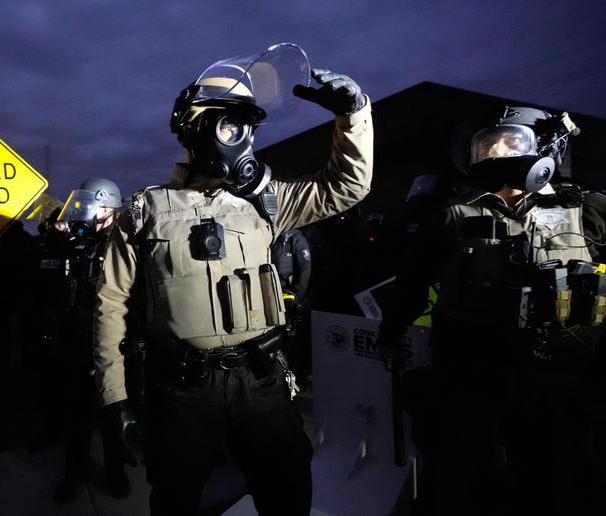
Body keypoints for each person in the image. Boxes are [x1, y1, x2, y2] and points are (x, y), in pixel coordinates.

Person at [93, 44, 373, 516]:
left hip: (261, 380)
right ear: (192, 128)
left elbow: (348, 185)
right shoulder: (144, 211)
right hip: (182, 389)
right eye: (227, 124)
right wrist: (114, 399)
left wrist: (355, 117)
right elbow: (110, 305)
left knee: (287, 494)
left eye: (246, 127)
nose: (239, 139)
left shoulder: (268, 203)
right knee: (176, 498)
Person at [378, 107, 606, 515]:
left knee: (560, 478)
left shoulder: (584, 209)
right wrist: (391, 335)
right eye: (488, 142)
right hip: (471, 371)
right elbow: (411, 280)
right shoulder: (453, 213)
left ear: (543, 148)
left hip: (557, 375)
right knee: (460, 478)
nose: (497, 150)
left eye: (511, 140)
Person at [52, 178, 132, 501]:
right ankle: (75, 472)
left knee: (112, 411)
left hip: (112, 345)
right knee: (77, 415)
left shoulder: (122, 245)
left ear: (110, 210)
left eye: (94, 206)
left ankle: (116, 472)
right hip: (75, 341)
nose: (86, 212)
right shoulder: (74, 242)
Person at [271, 228, 313, 387]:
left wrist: (297, 295)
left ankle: (299, 377)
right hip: (278, 297)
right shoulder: (276, 238)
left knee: (295, 341)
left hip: (293, 298)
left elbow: (305, 268)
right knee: (281, 340)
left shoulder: (296, 239)